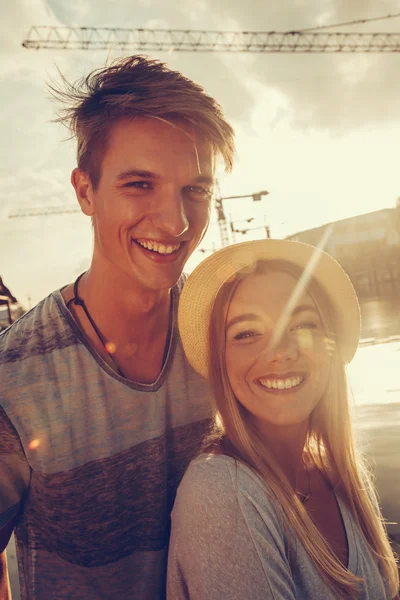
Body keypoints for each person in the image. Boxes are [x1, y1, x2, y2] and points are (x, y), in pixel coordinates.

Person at [0, 55, 234, 600]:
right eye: (139, 184)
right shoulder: (14, 381)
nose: (175, 222)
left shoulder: (225, 334)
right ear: (85, 192)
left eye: (195, 190)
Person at [167, 238, 399, 599]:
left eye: (301, 325)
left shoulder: (335, 472)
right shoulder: (223, 494)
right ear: (220, 363)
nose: (280, 352)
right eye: (247, 333)